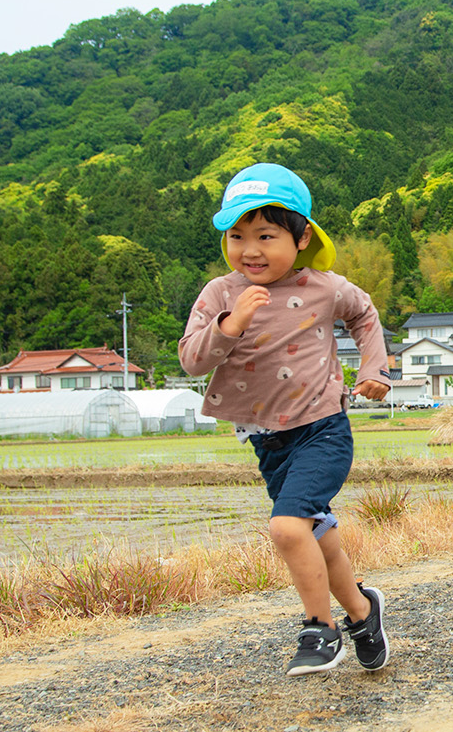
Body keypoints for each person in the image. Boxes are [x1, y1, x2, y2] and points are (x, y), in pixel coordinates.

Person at [179, 162, 391, 675]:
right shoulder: (219, 295)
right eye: (237, 235)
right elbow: (192, 359)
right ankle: (363, 613)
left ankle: (320, 628)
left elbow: (364, 314)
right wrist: (230, 325)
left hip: (322, 427)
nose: (249, 249)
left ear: (301, 239)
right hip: (267, 441)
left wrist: (374, 368)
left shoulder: (324, 287)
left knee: (287, 527)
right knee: (318, 538)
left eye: (266, 235)